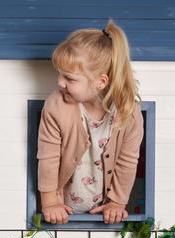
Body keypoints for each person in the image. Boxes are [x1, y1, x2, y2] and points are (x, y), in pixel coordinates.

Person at [37, 19, 144, 225]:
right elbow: (47, 157)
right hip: (63, 204)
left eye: (69, 78)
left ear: (101, 82)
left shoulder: (129, 114)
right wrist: (50, 202)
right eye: (60, 75)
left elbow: (127, 162)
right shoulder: (56, 105)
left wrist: (117, 203)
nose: (60, 83)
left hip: (101, 207)